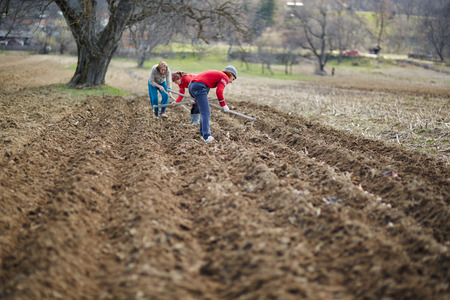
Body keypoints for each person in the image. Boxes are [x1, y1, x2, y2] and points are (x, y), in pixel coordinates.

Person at [188, 65, 237, 143]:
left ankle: (202, 133)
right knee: (206, 113)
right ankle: (207, 136)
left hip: (192, 86)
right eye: (233, 79)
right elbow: (219, 91)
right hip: (199, 87)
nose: (231, 82)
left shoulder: (218, 75)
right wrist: (223, 105)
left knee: (204, 112)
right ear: (230, 74)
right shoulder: (225, 77)